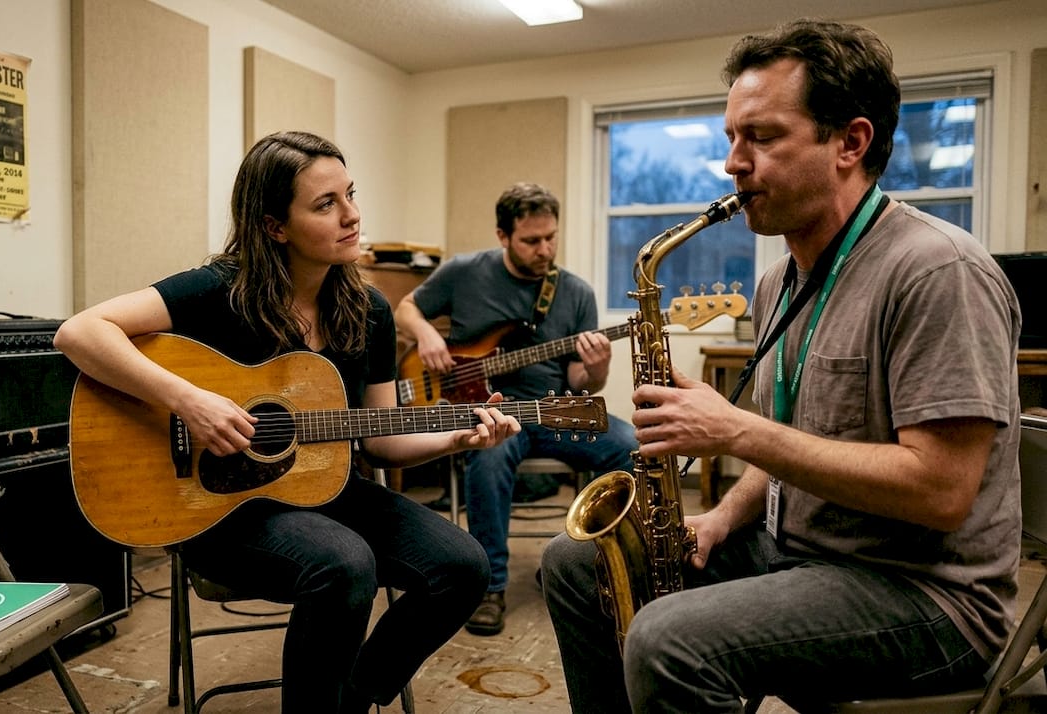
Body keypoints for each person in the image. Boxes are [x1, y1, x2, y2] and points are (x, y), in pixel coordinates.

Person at [541, 19, 1023, 712]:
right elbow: (793, 444)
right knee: (576, 563)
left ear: (850, 143)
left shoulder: (937, 270)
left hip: (930, 596)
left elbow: (941, 490)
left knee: (666, 639)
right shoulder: (780, 280)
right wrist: (723, 517)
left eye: (762, 138)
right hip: (797, 550)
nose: (734, 163)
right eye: (732, 138)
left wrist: (735, 431)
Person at [54, 131, 521, 713]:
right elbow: (78, 333)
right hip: (216, 506)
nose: (352, 216)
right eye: (326, 204)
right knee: (345, 563)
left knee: (463, 567)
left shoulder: (369, 310)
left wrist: (457, 435)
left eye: (351, 195)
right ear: (275, 226)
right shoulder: (219, 289)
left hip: (325, 491)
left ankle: (353, 697)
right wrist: (188, 400)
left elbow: (378, 437)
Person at [395, 182, 638, 636]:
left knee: (628, 445)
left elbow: (578, 382)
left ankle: (579, 566)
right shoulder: (465, 272)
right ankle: (490, 586)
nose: (545, 249)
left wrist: (597, 370)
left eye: (551, 238)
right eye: (531, 240)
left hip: (553, 411)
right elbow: (406, 308)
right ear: (502, 236)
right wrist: (426, 335)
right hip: (487, 410)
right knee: (488, 455)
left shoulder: (576, 293)